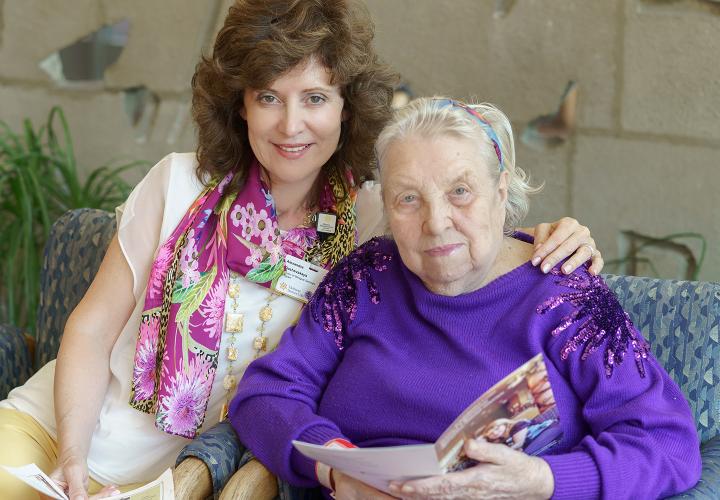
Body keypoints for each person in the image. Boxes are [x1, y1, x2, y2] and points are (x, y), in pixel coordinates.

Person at [0, 1, 601, 498]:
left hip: (191, 474)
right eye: (268, 97)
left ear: (347, 106)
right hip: (57, 435)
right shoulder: (180, 183)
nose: (291, 125)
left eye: (314, 97)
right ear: (239, 104)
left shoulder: (376, 220)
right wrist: (71, 460)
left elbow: (460, 233)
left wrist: (554, 235)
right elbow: (88, 329)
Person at [229, 97, 702, 499]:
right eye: (408, 199)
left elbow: (668, 444)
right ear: (386, 206)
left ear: (500, 192)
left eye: (460, 192)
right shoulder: (366, 278)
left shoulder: (566, 295)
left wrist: (544, 480)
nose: (436, 222)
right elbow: (264, 394)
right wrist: (337, 468)